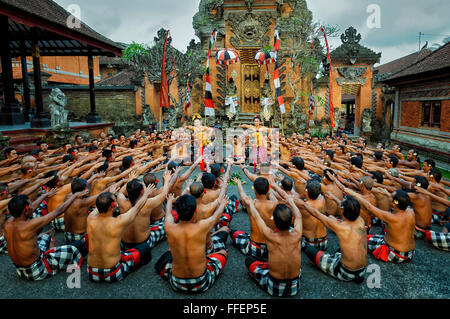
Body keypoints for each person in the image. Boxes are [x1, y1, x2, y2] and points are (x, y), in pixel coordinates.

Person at [4, 191, 86, 281]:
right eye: (30, 205)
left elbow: (32, 208)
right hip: (37, 271)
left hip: (21, 271)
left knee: (46, 237)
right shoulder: (30, 225)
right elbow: (59, 211)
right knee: (76, 248)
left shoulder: (8, 223)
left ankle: (52, 254)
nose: (33, 207)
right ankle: (52, 259)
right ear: (25, 210)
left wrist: (44, 195)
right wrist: (74, 196)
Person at [155, 194, 229, 293]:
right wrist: (222, 204)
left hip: (177, 283)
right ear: (195, 212)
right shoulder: (202, 226)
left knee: (169, 251)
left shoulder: (169, 227)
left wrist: (169, 201)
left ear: (177, 212)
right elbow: (216, 216)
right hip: (201, 283)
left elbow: (168, 214)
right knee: (224, 253)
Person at [86, 185, 154, 283]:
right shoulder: (119, 221)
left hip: (92, 273)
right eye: (115, 201)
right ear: (111, 206)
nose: (117, 203)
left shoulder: (90, 219)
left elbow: (99, 207)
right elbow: (137, 207)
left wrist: (110, 194)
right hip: (113, 273)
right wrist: (145, 195)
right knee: (144, 247)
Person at [297, 195, 367, 283]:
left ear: (342, 210)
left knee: (309, 250)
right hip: (362, 271)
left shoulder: (339, 227)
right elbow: (347, 210)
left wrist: (303, 204)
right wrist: (334, 198)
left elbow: (316, 213)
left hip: (346, 272)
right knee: (341, 249)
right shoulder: (361, 221)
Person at [242, 196, 303, 297]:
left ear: (274, 222)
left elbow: (257, 217)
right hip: (294, 286)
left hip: (274, 286)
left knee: (249, 260)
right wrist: (291, 202)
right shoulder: (298, 234)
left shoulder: (269, 235)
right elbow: (299, 216)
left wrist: (251, 204)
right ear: (292, 220)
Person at [231, 177, 278, 259]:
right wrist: (270, 187)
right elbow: (271, 194)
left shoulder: (251, 203)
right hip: (271, 247)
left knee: (232, 232)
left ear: (255, 191)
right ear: (268, 190)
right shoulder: (275, 203)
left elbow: (241, 193)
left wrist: (238, 183)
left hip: (254, 247)